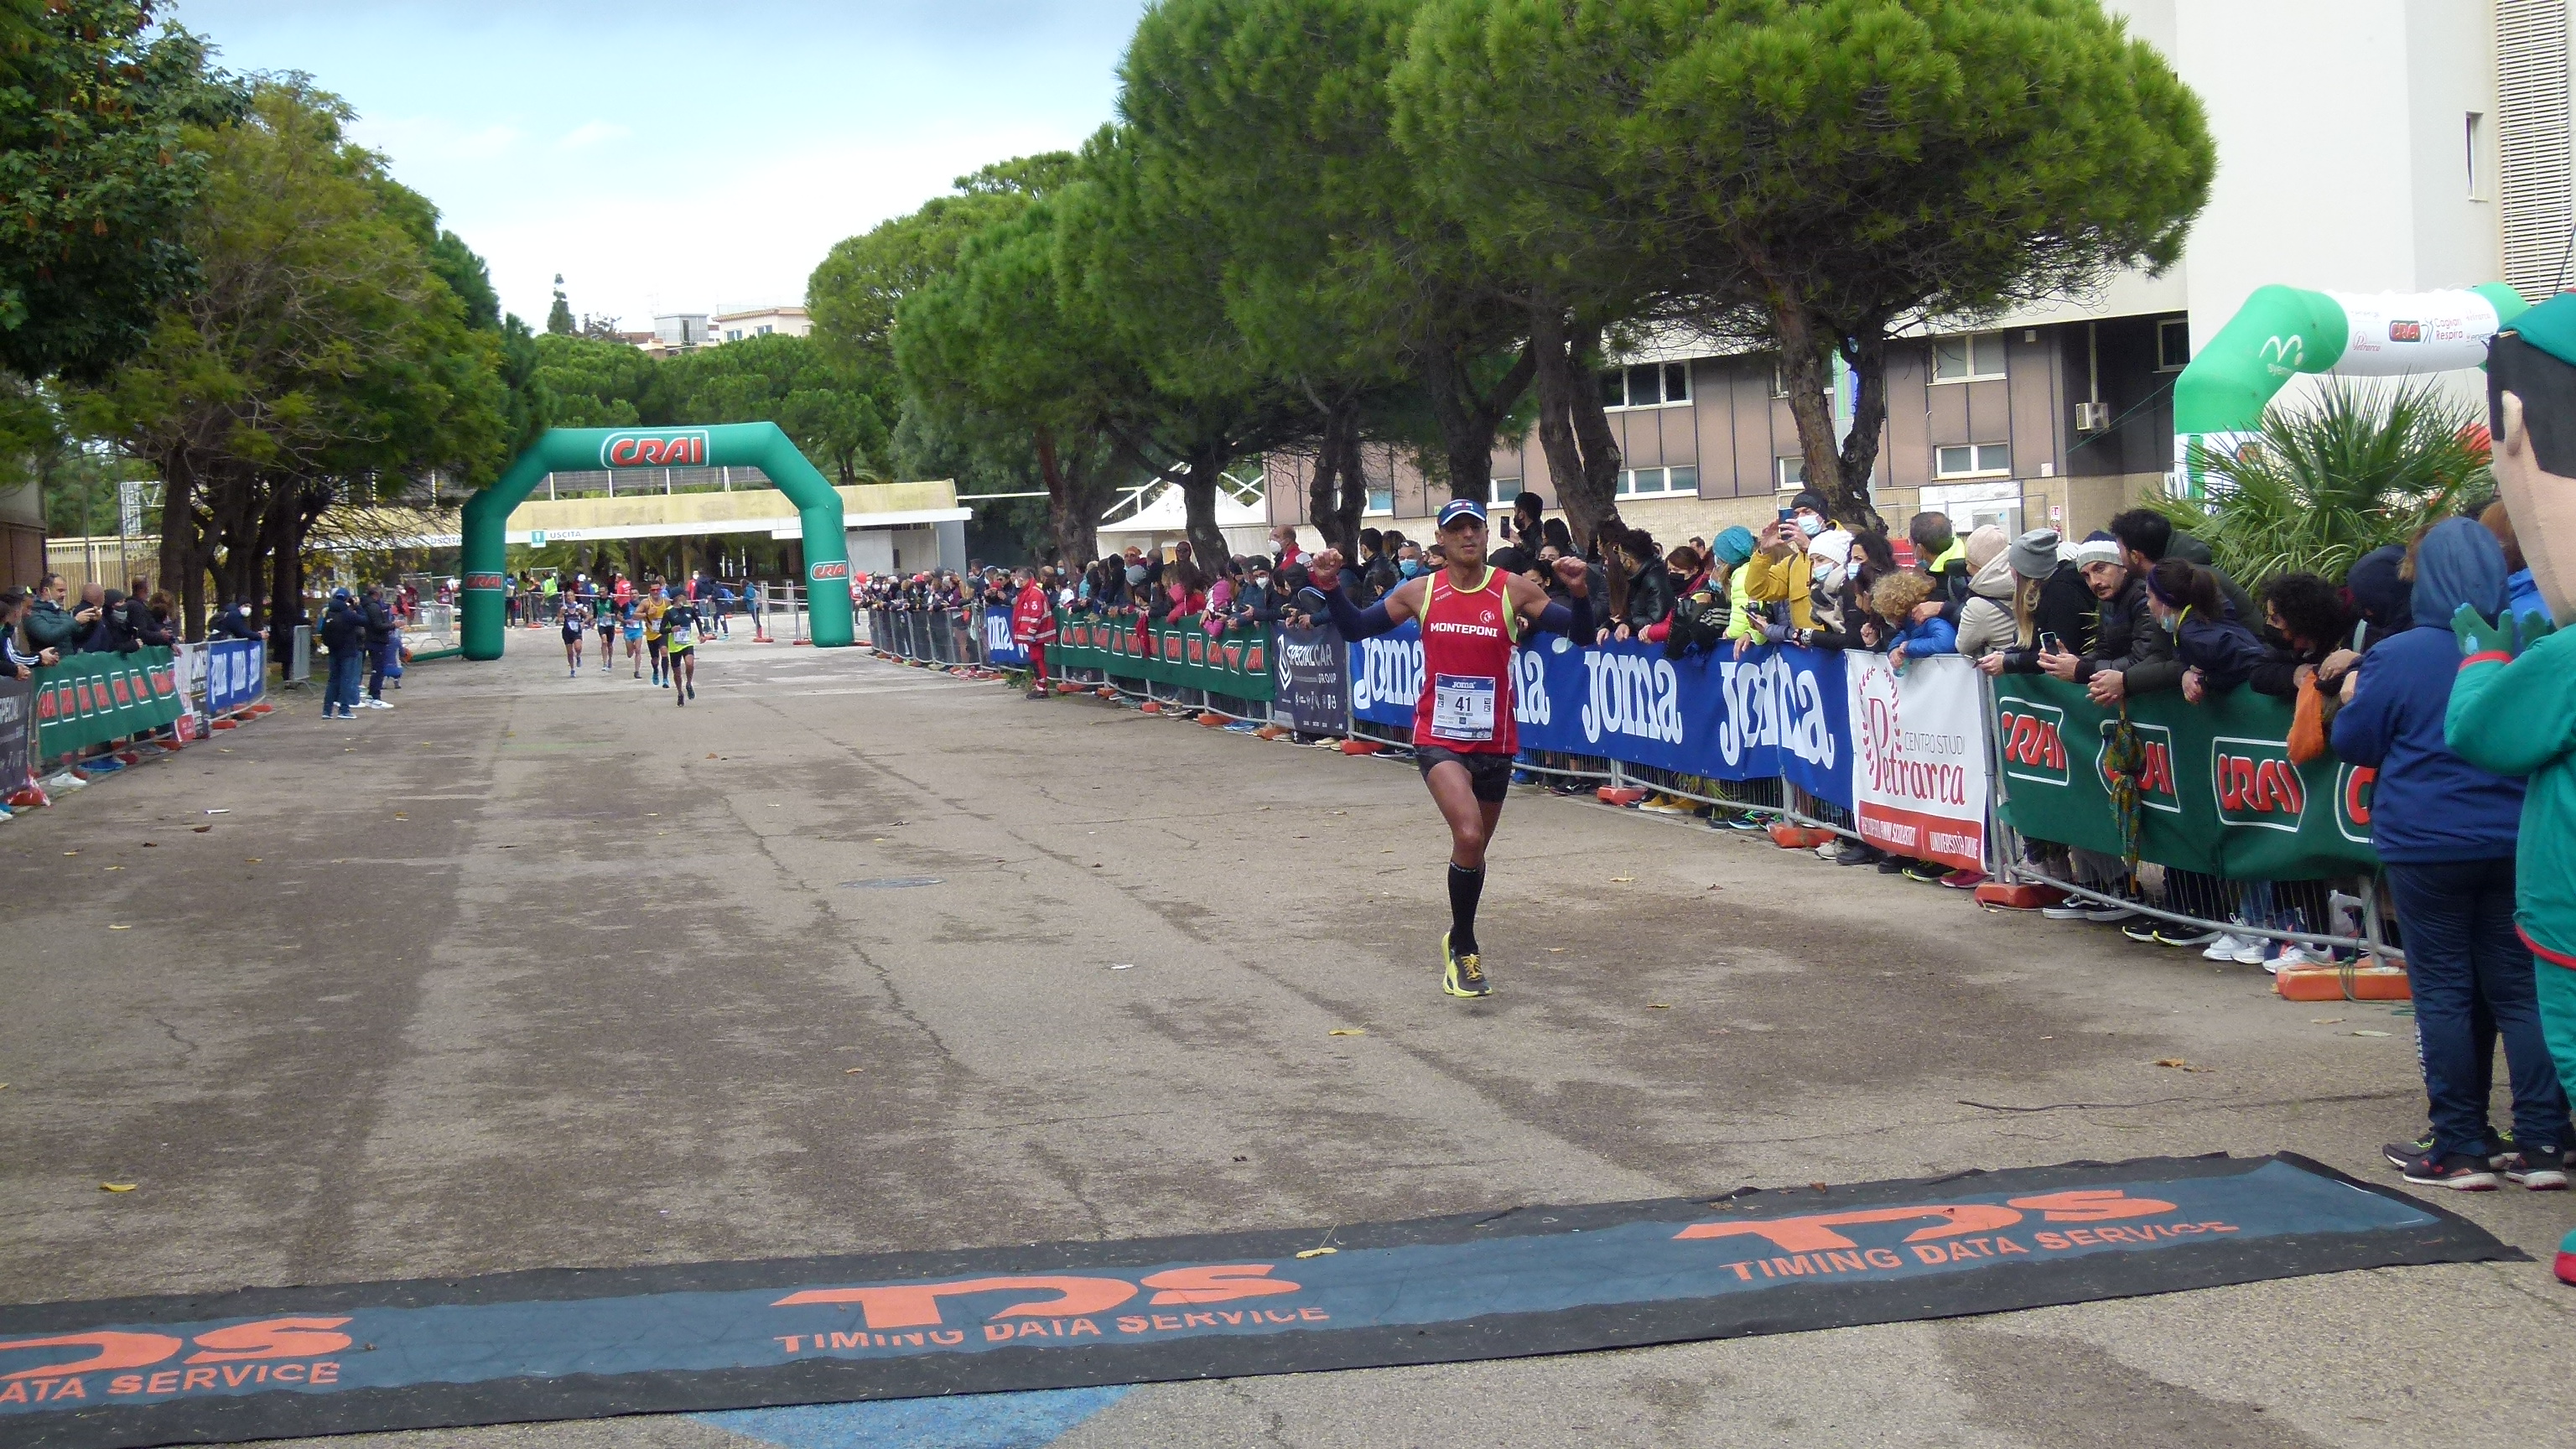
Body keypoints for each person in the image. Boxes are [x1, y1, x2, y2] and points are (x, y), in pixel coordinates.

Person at [2337, 517, 2570, 1190]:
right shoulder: (2532, 644)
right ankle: (2544, 1142)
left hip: (2427, 841)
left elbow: (2356, 742)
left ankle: (2461, 1145)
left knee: (2443, 992)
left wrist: (2352, 696)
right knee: (2521, 992)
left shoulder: (2401, 653)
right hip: (2516, 837)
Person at [1310, 498, 1593, 998]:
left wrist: (1580, 593)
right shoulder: (1421, 591)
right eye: (1456, 529)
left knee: (1475, 850)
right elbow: (1356, 628)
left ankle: (1459, 934)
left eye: (1475, 528)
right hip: (1438, 737)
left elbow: (1582, 635)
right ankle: (1464, 947)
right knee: (1467, 832)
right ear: (1440, 539)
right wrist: (1330, 587)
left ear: (1485, 535)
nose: (1467, 536)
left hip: (1496, 740)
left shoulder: (1513, 589)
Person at [319, 587, 366, 719]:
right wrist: (357, 606)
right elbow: (365, 620)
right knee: (346, 680)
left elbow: (323, 631)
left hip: (333, 650)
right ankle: (344, 710)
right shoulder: (348, 614)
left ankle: (327, 711)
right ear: (347, 599)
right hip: (348, 651)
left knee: (333, 680)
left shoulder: (329, 613)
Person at [1011, 567, 1057, 699]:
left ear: (1022, 579)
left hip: (1037, 634)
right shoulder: (1029, 592)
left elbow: (1036, 616)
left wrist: (1030, 633)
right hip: (1034, 633)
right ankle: (1040, 685)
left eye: (1017, 579)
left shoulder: (1034, 593)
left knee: (1037, 660)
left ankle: (1042, 688)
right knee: (1035, 660)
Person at [361, 584, 399, 707]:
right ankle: (374, 696)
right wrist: (393, 625)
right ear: (376, 594)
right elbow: (378, 625)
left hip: (373, 640)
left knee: (377, 669)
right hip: (376, 641)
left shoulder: (368, 605)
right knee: (378, 670)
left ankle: (373, 695)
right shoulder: (373, 607)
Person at [663, 589, 703, 704]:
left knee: (690, 664)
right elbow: (661, 629)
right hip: (675, 645)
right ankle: (680, 693)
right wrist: (671, 629)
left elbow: (697, 620)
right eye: (684, 596)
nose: (686, 598)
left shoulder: (689, 609)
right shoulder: (669, 612)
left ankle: (689, 684)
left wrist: (701, 634)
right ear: (678, 597)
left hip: (687, 642)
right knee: (677, 673)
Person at [560, 590, 589, 676]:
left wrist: (583, 622)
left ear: (574, 597)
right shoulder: (563, 609)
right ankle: (572, 669)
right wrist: (561, 619)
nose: (569, 598)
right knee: (569, 652)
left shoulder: (578, 608)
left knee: (578, 648)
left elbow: (587, 616)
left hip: (577, 631)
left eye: (571, 596)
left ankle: (578, 656)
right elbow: (559, 618)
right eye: (568, 596)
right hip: (567, 632)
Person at [621, 598, 645, 678]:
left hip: (638, 630)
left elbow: (646, 615)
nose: (634, 595)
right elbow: (618, 615)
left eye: (635, 593)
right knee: (630, 654)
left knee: (638, 650)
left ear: (638, 595)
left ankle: (637, 671)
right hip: (628, 630)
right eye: (632, 594)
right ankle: (630, 649)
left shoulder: (642, 605)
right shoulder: (626, 605)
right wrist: (625, 621)